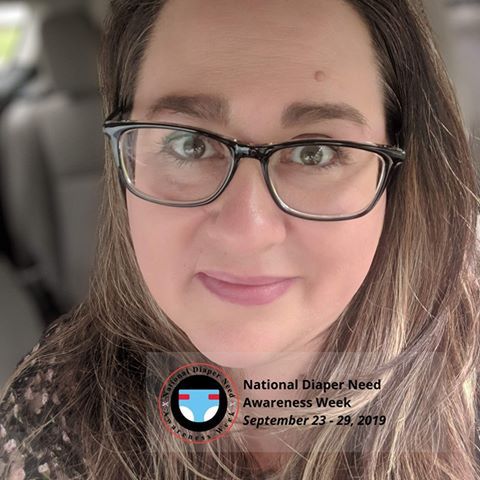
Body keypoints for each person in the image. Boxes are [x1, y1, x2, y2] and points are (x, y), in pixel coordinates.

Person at [1, 0, 479, 478]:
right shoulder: (54, 410)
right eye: (189, 144)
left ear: (400, 177)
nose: (245, 233)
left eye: (316, 152)